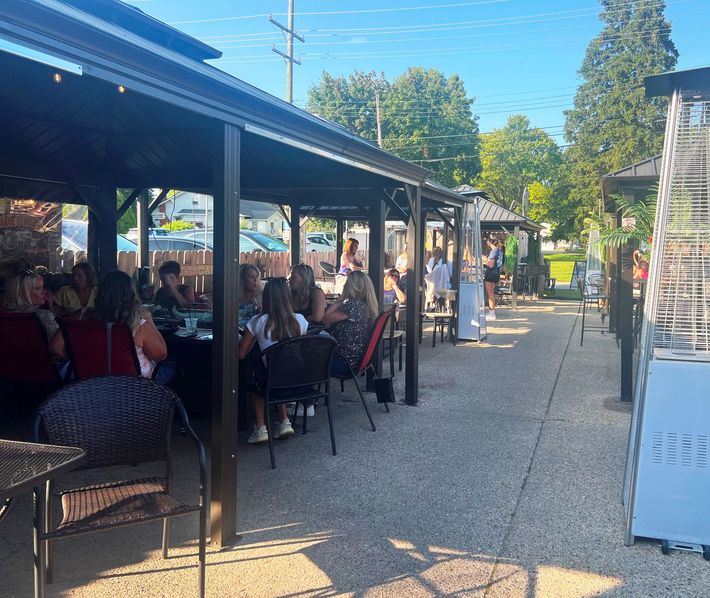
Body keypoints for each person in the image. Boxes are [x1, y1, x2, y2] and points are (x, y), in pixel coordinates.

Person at [50, 271, 168, 379]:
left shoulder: (82, 316)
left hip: (90, 383)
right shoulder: (138, 325)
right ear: (131, 295)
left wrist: (79, 360)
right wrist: (149, 320)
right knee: (172, 368)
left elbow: (55, 347)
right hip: (132, 387)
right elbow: (161, 355)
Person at [239, 278, 306, 444]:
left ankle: (261, 428)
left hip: (271, 383)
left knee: (257, 372)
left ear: (266, 298)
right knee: (277, 368)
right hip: (299, 382)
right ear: (288, 297)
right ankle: (284, 421)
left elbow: (241, 354)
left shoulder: (257, 321)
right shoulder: (301, 320)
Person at [323, 271, 378, 377]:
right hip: (355, 360)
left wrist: (342, 297)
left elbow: (325, 318)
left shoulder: (354, 305)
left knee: (306, 355)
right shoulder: (365, 306)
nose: (344, 285)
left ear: (352, 287)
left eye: (347, 283)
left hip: (344, 363)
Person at [3, 268, 59, 343]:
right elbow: (60, 347)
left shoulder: (4, 315)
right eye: (38, 288)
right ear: (22, 294)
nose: (44, 292)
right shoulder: (44, 316)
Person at [484, 239, 504, 321]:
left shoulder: (494, 251)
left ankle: (491, 312)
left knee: (490, 294)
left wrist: (486, 261)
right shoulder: (500, 252)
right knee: (492, 293)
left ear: (490, 243)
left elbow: (491, 265)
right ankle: (492, 311)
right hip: (497, 273)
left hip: (490, 273)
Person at [239, 263, 261, 328]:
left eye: (257, 276)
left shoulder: (261, 297)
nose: (255, 280)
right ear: (242, 279)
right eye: (251, 277)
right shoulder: (232, 297)